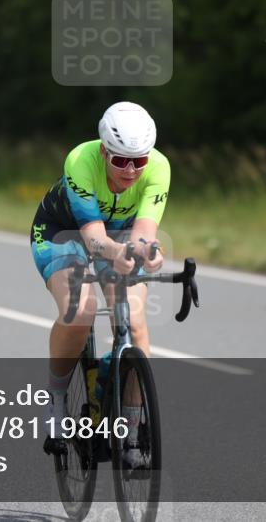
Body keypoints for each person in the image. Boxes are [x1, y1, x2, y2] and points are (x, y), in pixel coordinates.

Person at [30, 102, 170, 464]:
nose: (130, 170)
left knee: (136, 327)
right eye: (121, 160)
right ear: (104, 150)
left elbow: (143, 231)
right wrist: (115, 251)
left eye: (138, 161)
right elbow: (93, 238)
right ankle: (57, 401)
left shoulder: (159, 167)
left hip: (118, 232)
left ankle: (134, 431)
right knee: (81, 310)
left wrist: (148, 251)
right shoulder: (81, 160)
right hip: (64, 232)